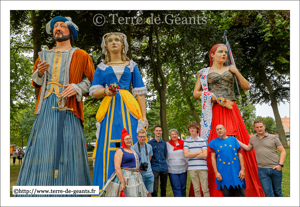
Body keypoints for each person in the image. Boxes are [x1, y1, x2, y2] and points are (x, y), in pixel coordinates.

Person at [16, 16, 94, 194]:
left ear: (70, 32)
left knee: (69, 144)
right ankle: (37, 190)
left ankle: (71, 191)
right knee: (42, 145)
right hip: (46, 107)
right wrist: (40, 73)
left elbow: (92, 81)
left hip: (69, 108)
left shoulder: (81, 54)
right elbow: (36, 82)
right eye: (55, 26)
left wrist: (76, 87)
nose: (58, 28)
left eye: (62, 26)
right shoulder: (43, 55)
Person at [192, 43, 265, 197]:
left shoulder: (231, 69)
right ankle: (216, 188)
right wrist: (209, 96)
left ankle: (242, 182)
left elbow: (246, 86)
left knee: (236, 142)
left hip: (231, 109)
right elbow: (195, 93)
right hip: (213, 112)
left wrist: (236, 72)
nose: (224, 54)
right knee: (214, 144)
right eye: (220, 52)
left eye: (225, 52)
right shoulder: (203, 73)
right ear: (212, 55)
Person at [90, 32, 148, 193]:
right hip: (109, 107)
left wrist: (143, 117)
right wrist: (105, 91)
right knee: (106, 144)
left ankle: (134, 190)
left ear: (123, 45)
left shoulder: (132, 65)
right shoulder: (101, 67)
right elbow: (94, 91)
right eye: (110, 40)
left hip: (128, 106)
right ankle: (105, 187)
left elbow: (140, 92)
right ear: (105, 46)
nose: (114, 42)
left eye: (117, 40)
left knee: (132, 141)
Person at [237, 120, 286, 197]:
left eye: (261, 127)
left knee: (278, 192)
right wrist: (236, 141)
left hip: (275, 168)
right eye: (257, 127)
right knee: (268, 194)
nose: (259, 129)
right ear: (254, 128)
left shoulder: (273, 137)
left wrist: (280, 165)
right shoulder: (253, 138)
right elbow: (248, 148)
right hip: (262, 170)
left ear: (264, 127)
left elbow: (283, 151)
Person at [100, 128, 148, 197]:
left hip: (137, 177)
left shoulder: (132, 150)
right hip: (127, 178)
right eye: (126, 139)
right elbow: (117, 167)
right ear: (123, 141)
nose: (129, 140)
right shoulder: (120, 151)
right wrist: (122, 182)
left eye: (129, 138)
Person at [209, 125, 246, 197]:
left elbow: (240, 155)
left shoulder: (233, 140)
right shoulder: (213, 142)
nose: (219, 130)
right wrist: (216, 172)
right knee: (227, 196)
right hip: (223, 173)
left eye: (221, 129)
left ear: (225, 130)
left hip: (236, 172)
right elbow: (213, 158)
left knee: (241, 195)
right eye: (217, 129)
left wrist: (243, 169)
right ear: (216, 132)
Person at [184, 122, 210, 197]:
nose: (192, 130)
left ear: (197, 129)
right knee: (196, 189)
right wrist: (199, 152)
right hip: (192, 168)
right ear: (189, 130)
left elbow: (205, 154)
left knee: (205, 189)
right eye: (190, 128)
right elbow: (186, 155)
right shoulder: (186, 141)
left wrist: (191, 155)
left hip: (202, 168)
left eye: (194, 128)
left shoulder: (202, 140)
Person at [131, 129, 154, 197]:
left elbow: (150, 158)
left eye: (144, 136)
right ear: (137, 137)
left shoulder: (149, 146)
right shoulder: (133, 148)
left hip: (149, 173)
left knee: (149, 193)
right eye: (140, 136)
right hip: (139, 174)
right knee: (140, 193)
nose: (142, 138)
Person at [167, 129, 188, 197]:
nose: (174, 135)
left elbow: (186, 155)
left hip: (183, 168)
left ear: (178, 135)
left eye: (175, 134)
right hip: (172, 169)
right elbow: (166, 157)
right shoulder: (167, 144)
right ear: (170, 135)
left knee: (183, 187)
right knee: (176, 187)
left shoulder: (183, 143)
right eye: (172, 134)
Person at [148, 125, 168, 197]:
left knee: (163, 187)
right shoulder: (150, 143)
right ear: (154, 132)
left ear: (162, 132)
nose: (158, 132)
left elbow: (165, 154)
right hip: (154, 168)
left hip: (163, 167)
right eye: (157, 130)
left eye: (160, 131)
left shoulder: (164, 143)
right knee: (154, 189)